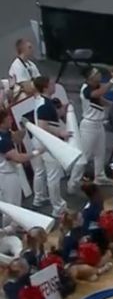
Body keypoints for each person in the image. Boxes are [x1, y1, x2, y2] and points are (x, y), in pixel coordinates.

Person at [69, 67, 113, 192]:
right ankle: (73, 183)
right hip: (88, 127)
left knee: (100, 153)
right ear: (89, 78)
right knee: (84, 157)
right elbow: (98, 94)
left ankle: (100, 176)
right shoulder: (86, 89)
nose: (99, 74)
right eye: (96, 73)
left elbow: (100, 100)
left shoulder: (96, 86)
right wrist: (112, 80)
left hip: (99, 124)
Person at [28, 76, 68, 213]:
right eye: (51, 83)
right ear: (45, 87)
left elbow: (48, 118)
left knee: (39, 172)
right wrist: (61, 132)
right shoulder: (45, 105)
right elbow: (43, 126)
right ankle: (57, 207)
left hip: (37, 141)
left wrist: (61, 111)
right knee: (53, 175)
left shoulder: (40, 101)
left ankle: (38, 198)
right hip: (47, 143)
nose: (54, 85)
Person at [0, 108, 31, 208]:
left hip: (10, 171)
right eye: (8, 119)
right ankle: (9, 224)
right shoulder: (2, 141)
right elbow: (19, 158)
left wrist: (24, 128)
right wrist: (36, 152)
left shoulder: (6, 132)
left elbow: (17, 139)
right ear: (1, 124)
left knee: (12, 204)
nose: (11, 120)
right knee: (12, 206)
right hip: (6, 175)